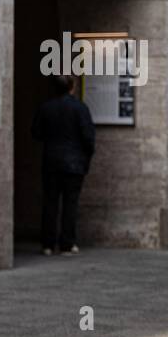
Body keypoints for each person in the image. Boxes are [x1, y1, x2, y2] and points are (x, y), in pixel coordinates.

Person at [31, 74, 95, 256]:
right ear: (72, 87)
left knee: (50, 203)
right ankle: (67, 243)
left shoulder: (46, 108)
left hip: (51, 161)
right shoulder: (80, 108)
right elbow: (88, 137)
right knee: (70, 204)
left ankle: (48, 244)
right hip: (74, 163)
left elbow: (36, 132)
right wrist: (86, 157)